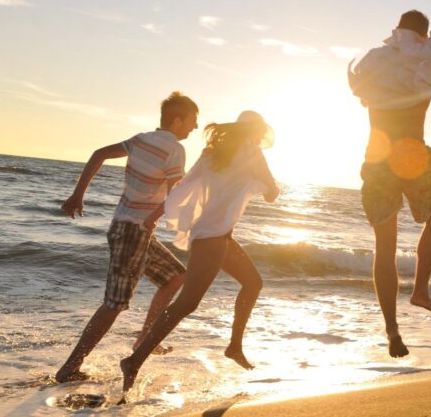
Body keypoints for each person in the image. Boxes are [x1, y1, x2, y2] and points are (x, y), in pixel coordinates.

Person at [347, 0, 431, 358]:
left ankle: (392, 329)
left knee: (384, 247)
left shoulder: (375, 60)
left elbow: (359, 91)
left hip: (376, 158)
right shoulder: (428, 54)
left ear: (396, 29)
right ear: (423, 32)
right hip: (412, 155)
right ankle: (420, 288)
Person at [119, 111, 280, 394]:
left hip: (211, 234)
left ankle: (234, 346)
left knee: (253, 282)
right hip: (213, 238)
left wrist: (160, 213)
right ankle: (134, 360)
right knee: (187, 304)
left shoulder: (214, 152)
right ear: (255, 132)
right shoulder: (252, 153)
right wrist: (265, 185)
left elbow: (185, 185)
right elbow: (272, 192)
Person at [55, 92, 198, 383]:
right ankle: (69, 369)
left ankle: (145, 340)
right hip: (133, 230)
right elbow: (175, 196)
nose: (194, 128)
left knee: (175, 278)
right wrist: (155, 217)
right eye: (192, 122)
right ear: (177, 119)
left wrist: (77, 194)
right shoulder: (174, 149)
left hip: (130, 228)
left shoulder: (140, 139)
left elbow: (99, 154)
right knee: (115, 303)